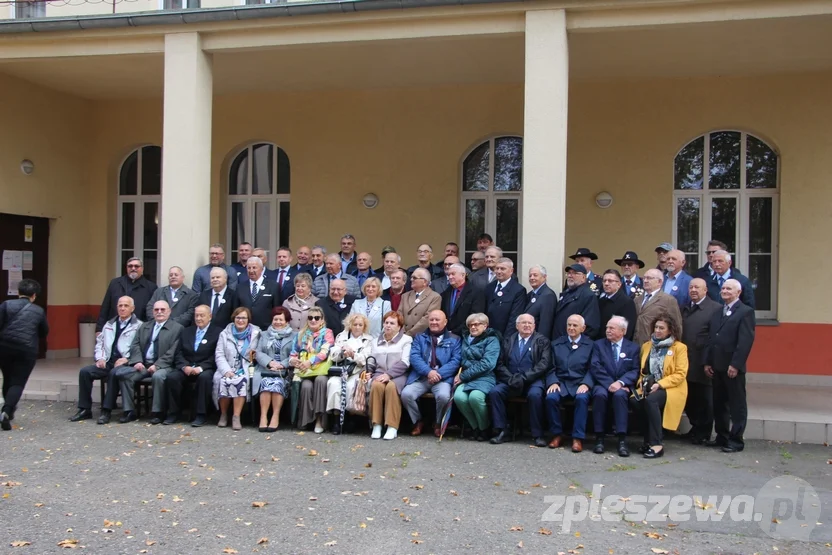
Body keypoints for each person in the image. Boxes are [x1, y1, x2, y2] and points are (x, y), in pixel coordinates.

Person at [704, 278, 755, 453]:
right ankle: (722, 436)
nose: (724, 291)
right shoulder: (718, 312)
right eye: (723, 288)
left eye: (729, 289)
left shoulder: (745, 312)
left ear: (738, 292)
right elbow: (711, 339)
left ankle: (736, 440)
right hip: (717, 366)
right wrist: (708, 362)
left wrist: (736, 364)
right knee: (719, 404)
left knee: (737, 405)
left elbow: (745, 342)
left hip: (732, 368)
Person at [70, 296, 140, 422]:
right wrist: (100, 358)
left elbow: (140, 348)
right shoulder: (109, 324)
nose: (122, 308)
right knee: (85, 372)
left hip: (126, 363)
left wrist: (127, 359)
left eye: (126, 306)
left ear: (132, 308)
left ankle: (106, 411)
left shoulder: (139, 326)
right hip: (109, 361)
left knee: (114, 373)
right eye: (120, 305)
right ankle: (85, 409)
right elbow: (100, 343)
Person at [113, 300, 183, 424]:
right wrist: (137, 361)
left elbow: (173, 351)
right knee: (125, 376)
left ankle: (158, 412)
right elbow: (135, 345)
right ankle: (129, 411)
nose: (159, 312)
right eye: (156, 310)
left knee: (158, 376)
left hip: (165, 366)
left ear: (169, 311)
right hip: (143, 364)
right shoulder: (145, 326)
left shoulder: (177, 328)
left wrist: (157, 365)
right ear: (153, 312)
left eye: (162, 309)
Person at [489, 314, 551, 446]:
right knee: (495, 392)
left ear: (534, 326)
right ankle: (502, 430)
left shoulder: (542, 341)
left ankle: (537, 434)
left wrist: (524, 378)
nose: (527, 325)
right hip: (510, 380)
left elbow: (543, 364)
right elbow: (499, 364)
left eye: (530, 323)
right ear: (517, 326)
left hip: (532, 381)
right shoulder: (508, 340)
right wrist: (510, 378)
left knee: (535, 395)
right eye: (523, 323)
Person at [632, 314, 689, 459]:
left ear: (670, 331)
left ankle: (657, 444)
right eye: (656, 327)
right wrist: (642, 383)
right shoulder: (647, 346)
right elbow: (643, 370)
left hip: (670, 387)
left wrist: (660, 384)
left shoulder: (679, 348)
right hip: (649, 385)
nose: (657, 330)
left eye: (661, 328)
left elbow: (680, 374)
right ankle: (647, 440)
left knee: (651, 401)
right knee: (635, 400)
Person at [403, 310, 462, 438]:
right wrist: (428, 372)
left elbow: (455, 361)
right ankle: (418, 421)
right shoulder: (419, 337)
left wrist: (438, 374)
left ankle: (438, 422)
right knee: (406, 394)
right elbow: (414, 357)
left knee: (443, 396)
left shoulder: (455, 339)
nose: (434, 322)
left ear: (445, 322)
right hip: (422, 376)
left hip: (442, 378)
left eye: (437, 320)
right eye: (431, 320)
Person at [0, 279, 49, 430]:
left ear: (18, 292)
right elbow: (44, 332)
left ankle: (8, 409)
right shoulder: (39, 311)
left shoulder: (6, 305)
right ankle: (7, 411)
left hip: (4, 347)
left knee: (8, 378)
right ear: (34, 295)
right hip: (26, 350)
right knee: (18, 382)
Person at [589, 316, 639, 457]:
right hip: (603, 383)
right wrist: (610, 383)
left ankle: (622, 439)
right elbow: (595, 366)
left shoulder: (633, 348)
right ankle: (599, 437)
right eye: (607, 328)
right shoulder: (598, 345)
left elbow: (635, 370)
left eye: (612, 328)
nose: (608, 330)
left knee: (620, 396)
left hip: (622, 386)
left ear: (623, 331)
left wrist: (621, 382)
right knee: (599, 395)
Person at [165, 304, 222, 427]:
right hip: (187, 366)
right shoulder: (187, 331)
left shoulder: (217, 332)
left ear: (210, 317)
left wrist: (200, 368)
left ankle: (201, 414)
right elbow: (178, 352)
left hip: (206, 367)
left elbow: (216, 355)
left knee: (204, 378)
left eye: (202, 315)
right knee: (172, 378)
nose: (199, 318)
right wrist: (184, 366)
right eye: (196, 315)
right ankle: (174, 412)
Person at [545, 314, 594, 453]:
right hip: (561, 382)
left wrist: (586, 384)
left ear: (583, 328)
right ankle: (556, 434)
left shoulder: (590, 345)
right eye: (569, 325)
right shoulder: (556, 343)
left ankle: (577, 438)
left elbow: (593, 368)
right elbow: (550, 367)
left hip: (580, 382)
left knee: (582, 398)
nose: (571, 328)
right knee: (551, 398)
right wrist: (553, 382)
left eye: (575, 325)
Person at [681, 277, 721, 444]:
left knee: (704, 400)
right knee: (690, 399)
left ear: (706, 290)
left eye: (697, 287)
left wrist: (708, 361)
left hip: (702, 361)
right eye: (691, 287)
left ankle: (704, 432)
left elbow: (715, 338)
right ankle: (695, 428)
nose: (693, 290)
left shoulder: (715, 309)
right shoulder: (685, 307)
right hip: (686, 360)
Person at [326, 313, 374, 434]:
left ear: (364, 327)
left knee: (350, 386)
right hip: (341, 371)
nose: (357, 327)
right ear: (350, 325)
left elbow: (365, 358)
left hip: (356, 372)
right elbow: (333, 355)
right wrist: (342, 353)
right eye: (355, 324)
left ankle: (350, 418)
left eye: (360, 325)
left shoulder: (368, 340)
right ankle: (336, 419)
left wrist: (353, 354)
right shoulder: (341, 337)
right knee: (333, 384)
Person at [454, 313, 500, 441]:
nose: (473, 327)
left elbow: (488, 363)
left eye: (477, 324)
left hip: (485, 376)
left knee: (475, 397)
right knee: (459, 397)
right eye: (470, 325)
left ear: (485, 326)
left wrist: (463, 376)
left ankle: (484, 428)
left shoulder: (492, 340)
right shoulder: (464, 339)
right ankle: (475, 427)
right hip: (466, 377)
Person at [214, 307, 261, 431]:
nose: (240, 320)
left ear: (248, 320)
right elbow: (219, 354)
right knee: (223, 380)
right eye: (238, 317)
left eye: (243, 318)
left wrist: (253, 359)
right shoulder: (225, 334)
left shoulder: (256, 334)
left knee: (241, 381)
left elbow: (259, 353)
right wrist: (226, 370)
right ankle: (223, 414)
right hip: (227, 367)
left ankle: (236, 416)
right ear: (233, 318)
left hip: (246, 368)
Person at [289, 307, 335, 433]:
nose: (313, 320)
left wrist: (310, 362)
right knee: (306, 386)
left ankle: (320, 420)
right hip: (304, 371)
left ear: (322, 320)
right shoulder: (300, 334)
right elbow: (293, 353)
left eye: (316, 318)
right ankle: (306, 420)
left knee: (320, 381)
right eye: (310, 318)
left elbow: (325, 352)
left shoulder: (327, 333)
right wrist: (294, 361)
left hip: (320, 369)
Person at [369, 312, 413, 440]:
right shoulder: (375, 341)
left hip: (398, 375)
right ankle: (376, 424)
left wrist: (389, 375)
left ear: (399, 327)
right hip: (379, 373)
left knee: (391, 387)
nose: (388, 326)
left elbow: (405, 362)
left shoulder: (406, 340)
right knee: (376, 385)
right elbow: (371, 360)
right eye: (386, 322)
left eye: (392, 323)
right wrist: (368, 372)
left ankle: (392, 426)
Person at [254, 307, 296, 432]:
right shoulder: (264, 334)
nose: (278, 322)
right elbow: (258, 352)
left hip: (284, 371)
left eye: (281, 319)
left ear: (287, 322)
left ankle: (275, 416)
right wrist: (270, 362)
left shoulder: (294, 336)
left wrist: (282, 364)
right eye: (275, 319)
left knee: (277, 383)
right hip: (265, 369)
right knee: (266, 383)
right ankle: (263, 416)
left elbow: (295, 354)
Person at [96, 257, 156, 333]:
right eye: (130, 266)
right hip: (115, 328)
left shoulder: (151, 288)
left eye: (136, 266)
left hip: (139, 330)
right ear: (126, 268)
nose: (133, 268)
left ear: (142, 269)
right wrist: (99, 329)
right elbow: (105, 307)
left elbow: (151, 312)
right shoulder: (115, 283)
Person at [633, 269, 683, 345]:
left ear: (659, 281)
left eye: (649, 278)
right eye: (644, 278)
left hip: (656, 346)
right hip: (636, 345)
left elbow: (676, 326)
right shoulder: (637, 299)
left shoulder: (668, 300)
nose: (645, 281)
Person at [554, 264, 600, 339]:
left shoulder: (588, 296)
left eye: (575, 273)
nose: (570, 275)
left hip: (573, 344)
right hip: (559, 343)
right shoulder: (566, 293)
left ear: (583, 277)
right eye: (569, 273)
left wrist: (576, 343)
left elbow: (591, 326)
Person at [485, 257, 527, 337]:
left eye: (502, 269)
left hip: (505, 335)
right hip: (488, 334)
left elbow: (514, 317)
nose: (499, 271)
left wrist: (507, 339)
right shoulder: (489, 287)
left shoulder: (518, 290)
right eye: (497, 268)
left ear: (511, 271)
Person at [441, 263, 486, 337]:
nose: (450, 277)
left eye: (453, 274)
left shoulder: (476, 293)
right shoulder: (445, 293)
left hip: (466, 334)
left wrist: (455, 331)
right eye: (448, 275)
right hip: (447, 334)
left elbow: (475, 315)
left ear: (463, 275)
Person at [236, 257, 279, 330]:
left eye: (254, 268)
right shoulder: (240, 287)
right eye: (249, 268)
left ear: (262, 269)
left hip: (266, 329)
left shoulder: (273, 286)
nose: (251, 270)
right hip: (245, 328)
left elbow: (276, 308)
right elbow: (236, 309)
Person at [398, 268, 442, 337]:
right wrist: (402, 332)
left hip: (421, 337)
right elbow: (399, 315)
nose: (411, 279)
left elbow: (427, 319)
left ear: (424, 281)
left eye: (414, 278)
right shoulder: (405, 296)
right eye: (411, 277)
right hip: (402, 335)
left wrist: (409, 334)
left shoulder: (434, 297)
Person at [598, 269, 636, 341]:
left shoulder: (627, 302)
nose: (606, 283)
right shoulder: (600, 301)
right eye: (604, 281)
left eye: (610, 281)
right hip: (600, 344)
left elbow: (628, 330)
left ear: (619, 284)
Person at [524, 265, 557, 340]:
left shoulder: (548, 295)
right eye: (530, 276)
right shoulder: (529, 295)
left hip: (537, 341)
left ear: (544, 277)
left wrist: (541, 343)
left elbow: (545, 324)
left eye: (535, 275)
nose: (532, 278)